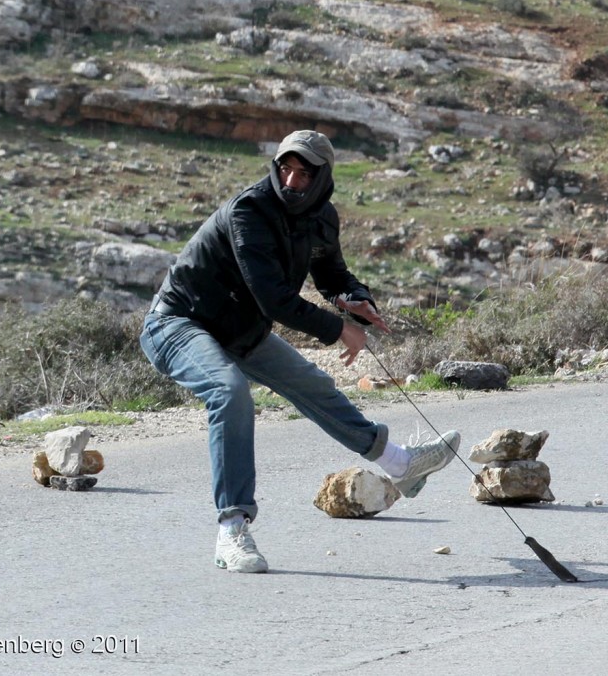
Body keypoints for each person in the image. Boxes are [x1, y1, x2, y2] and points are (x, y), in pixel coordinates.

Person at [139, 130, 460, 573]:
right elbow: (273, 298)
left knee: (312, 384)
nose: (291, 181)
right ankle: (232, 531)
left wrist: (353, 299)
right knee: (229, 392)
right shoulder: (249, 212)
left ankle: (401, 464)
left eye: (303, 173)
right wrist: (339, 331)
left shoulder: (322, 218)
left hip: (238, 329)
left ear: (322, 179)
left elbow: (331, 273)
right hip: (179, 323)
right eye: (285, 169)